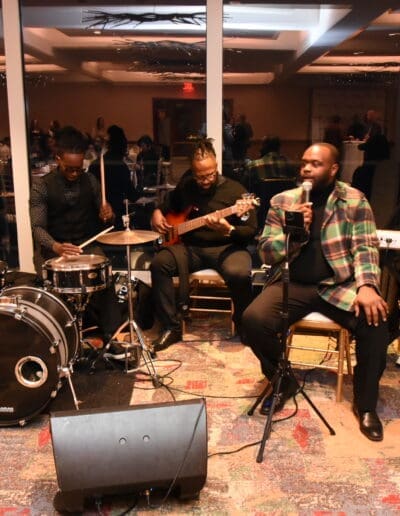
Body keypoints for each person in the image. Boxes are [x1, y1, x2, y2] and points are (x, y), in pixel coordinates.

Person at [242, 142, 389, 442]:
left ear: (333, 169)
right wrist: (293, 233)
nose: (307, 168)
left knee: (375, 320)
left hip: (339, 286)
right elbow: (266, 252)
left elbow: (365, 248)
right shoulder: (283, 201)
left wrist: (366, 286)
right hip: (292, 284)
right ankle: (283, 381)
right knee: (253, 319)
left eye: (316, 164)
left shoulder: (354, 200)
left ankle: (366, 405)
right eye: (304, 162)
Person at [150, 138, 258, 352]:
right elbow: (168, 204)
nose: (206, 180)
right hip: (191, 248)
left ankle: (243, 324)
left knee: (239, 273)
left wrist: (229, 229)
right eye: (200, 176)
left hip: (226, 247)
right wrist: (157, 212)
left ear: (216, 165)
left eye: (210, 174)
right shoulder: (187, 186)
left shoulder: (236, 191)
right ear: (192, 171)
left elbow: (251, 231)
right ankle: (171, 327)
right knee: (159, 264)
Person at [29, 126, 124, 348]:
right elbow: (37, 228)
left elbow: (107, 220)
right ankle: (61, 339)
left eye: (78, 169)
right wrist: (56, 246)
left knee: (105, 275)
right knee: (55, 289)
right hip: (53, 250)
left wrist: (108, 214)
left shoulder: (90, 181)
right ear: (58, 159)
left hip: (85, 246)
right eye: (69, 169)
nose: (74, 174)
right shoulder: (42, 186)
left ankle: (111, 336)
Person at [89, 125, 140, 230]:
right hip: (117, 218)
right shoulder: (121, 167)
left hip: (95, 218)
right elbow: (132, 195)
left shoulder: (95, 164)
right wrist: (142, 191)